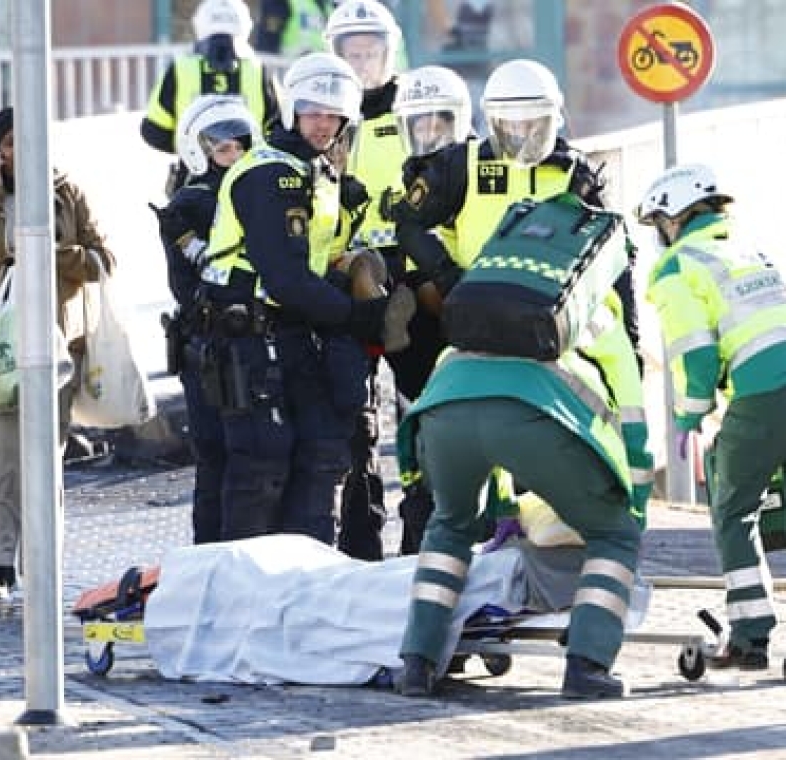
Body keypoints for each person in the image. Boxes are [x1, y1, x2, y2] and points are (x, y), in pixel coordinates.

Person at [391, 58, 645, 552]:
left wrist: (629, 341)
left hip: (549, 333)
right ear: (490, 121)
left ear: (557, 120)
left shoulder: (576, 172)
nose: (524, 137)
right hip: (470, 326)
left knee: (544, 445)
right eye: (512, 127)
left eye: (536, 125)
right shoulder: (460, 164)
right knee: (461, 450)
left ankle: (543, 556)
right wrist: (449, 280)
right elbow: (408, 222)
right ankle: (448, 554)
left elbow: (612, 254)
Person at [393, 263, 653, 699]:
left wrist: (501, 507)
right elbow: (631, 416)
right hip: (534, 412)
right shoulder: (598, 310)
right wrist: (635, 504)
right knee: (614, 535)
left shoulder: (486, 305)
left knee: (450, 528)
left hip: (441, 409)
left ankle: (417, 665)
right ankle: (587, 666)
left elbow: (475, 415)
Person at [197, 51, 415, 545]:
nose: (322, 124)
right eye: (313, 112)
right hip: (250, 337)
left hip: (295, 333)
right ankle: (244, 590)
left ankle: (307, 580)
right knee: (262, 465)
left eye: (332, 115)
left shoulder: (320, 174)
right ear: (293, 109)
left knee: (325, 454)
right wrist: (358, 317)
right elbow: (285, 278)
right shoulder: (271, 173)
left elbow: (325, 259)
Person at [0, 106, 115, 600]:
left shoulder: (67, 192)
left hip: (57, 344)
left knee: (46, 455)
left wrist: (50, 253)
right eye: (11, 142)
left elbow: (104, 261)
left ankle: (43, 561)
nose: (22, 151)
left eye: (30, 139)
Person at [637, 163, 786, 671]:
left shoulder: (679, 266)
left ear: (674, 218)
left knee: (735, 513)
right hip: (769, 386)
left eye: (659, 221)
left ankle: (750, 636)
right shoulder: (752, 251)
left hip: (764, 396)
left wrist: (688, 414)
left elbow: (696, 354)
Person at [322, 0, 427, 561]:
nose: (362, 63)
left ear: (390, 54)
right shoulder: (323, 118)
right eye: (351, 53)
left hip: (411, 282)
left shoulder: (418, 107)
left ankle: (422, 540)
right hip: (347, 285)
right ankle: (360, 542)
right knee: (353, 421)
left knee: (420, 412)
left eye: (371, 52)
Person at [151, 95, 262, 544]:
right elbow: (191, 283)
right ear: (199, 151)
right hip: (210, 350)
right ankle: (210, 558)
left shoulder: (255, 189)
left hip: (250, 344)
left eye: (240, 145)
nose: (233, 155)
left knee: (252, 459)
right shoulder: (190, 205)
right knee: (217, 460)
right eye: (222, 148)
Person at [142, 0, 280, 196]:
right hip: (251, 180)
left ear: (200, 25)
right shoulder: (260, 71)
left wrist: (193, 148)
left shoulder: (180, 68)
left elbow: (154, 131)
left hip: (191, 182)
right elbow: (280, 128)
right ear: (245, 26)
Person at [256, 0, 333, 56]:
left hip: (320, 68)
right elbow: (268, 38)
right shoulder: (279, 2)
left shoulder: (328, 5)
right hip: (287, 67)